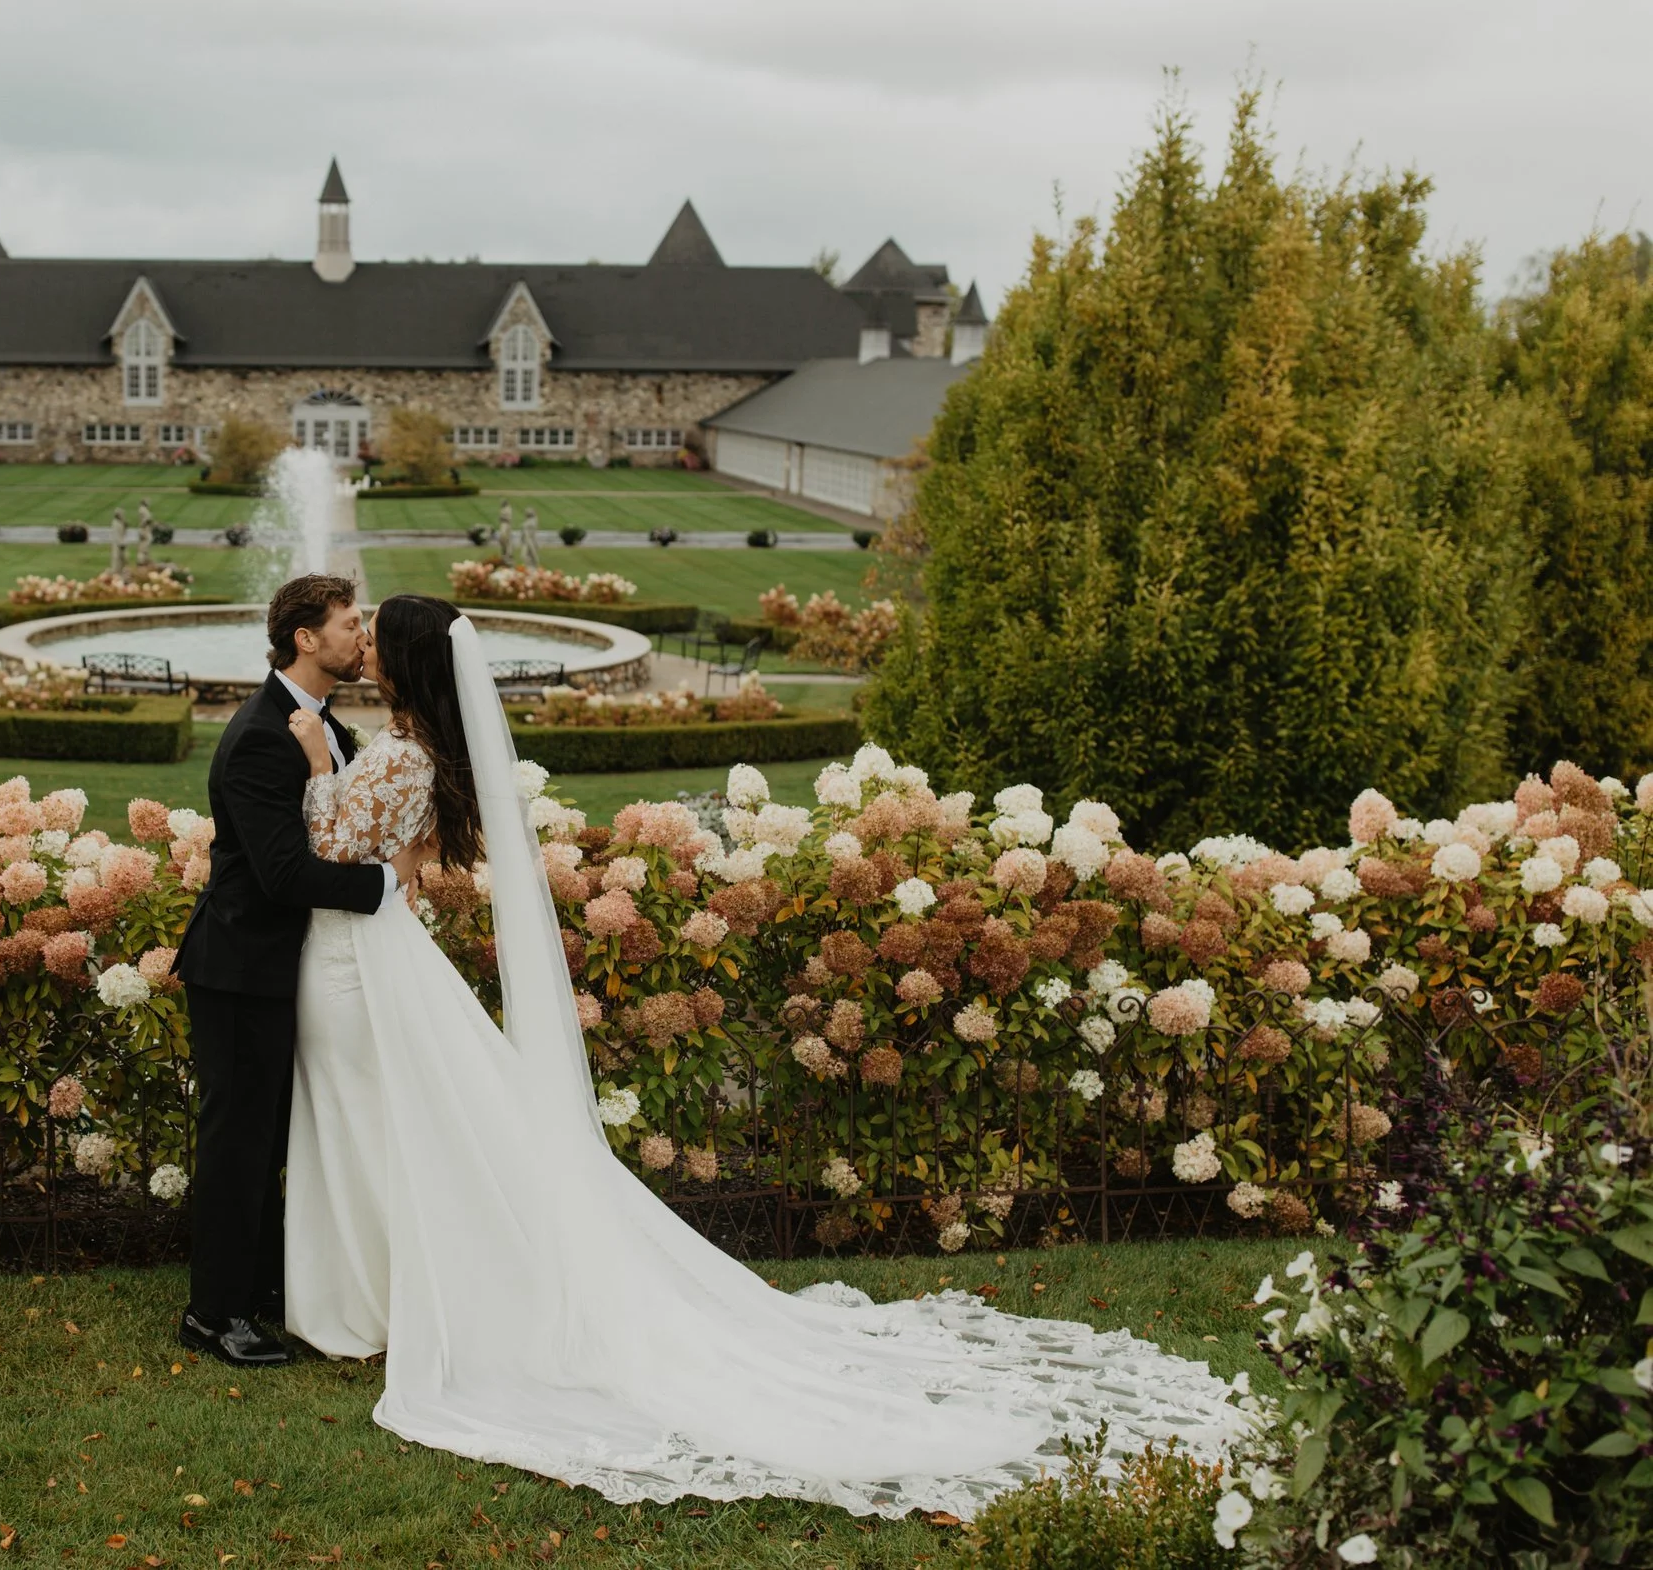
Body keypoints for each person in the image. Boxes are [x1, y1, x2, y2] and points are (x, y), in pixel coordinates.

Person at [274, 592, 1253, 1519]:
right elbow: (387, 858)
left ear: (400, 664)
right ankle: (391, 1290)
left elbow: (325, 837)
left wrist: (317, 756)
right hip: (380, 953)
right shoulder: (419, 751)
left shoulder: (398, 755)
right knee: (407, 1125)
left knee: (394, 1123)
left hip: (370, 960)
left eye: (372, 638)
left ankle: (394, 1297)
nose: (359, 646)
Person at [172, 573, 426, 1368]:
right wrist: (389, 881)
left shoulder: (323, 724)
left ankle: (260, 1284)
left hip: (291, 965)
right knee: (238, 1140)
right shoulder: (257, 735)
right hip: (241, 967)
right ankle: (214, 1313)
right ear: (306, 639)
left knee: (272, 1136)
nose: (362, 636)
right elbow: (284, 874)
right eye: (351, 624)